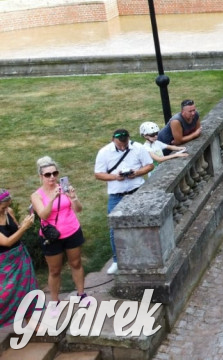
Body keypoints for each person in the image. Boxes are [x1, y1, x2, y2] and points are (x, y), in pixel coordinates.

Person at [30, 157, 93, 312]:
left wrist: (74, 198)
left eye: (54, 173)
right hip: (52, 237)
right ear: (41, 176)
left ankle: (81, 294)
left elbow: (78, 209)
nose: (52, 177)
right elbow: (43, 215)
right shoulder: (37, 195)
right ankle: (55, 301)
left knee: (76, 263)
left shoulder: (64, 189)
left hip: (72, 231)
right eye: (47, 174)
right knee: (55, 270)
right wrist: (52, 199)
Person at [94, 128, 154, 274]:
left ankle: (146, 254)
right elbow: (98, 174)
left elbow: (149, 165)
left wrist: (137, 172)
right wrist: (115, 177)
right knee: (114, 229)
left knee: (144, 222)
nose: (122, 146)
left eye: (125, 143)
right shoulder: (104, 152)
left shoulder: (138, 148)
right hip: (116, 195)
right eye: (120, 143)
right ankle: (117, 260)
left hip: (137, 190)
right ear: (113, 139)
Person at [1, 188, 39, 327]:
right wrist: (24, 228)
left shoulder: (9, 212)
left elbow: (16, 231)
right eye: (3, 207)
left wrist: (24, 224)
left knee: (28, 288)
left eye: (7, 206)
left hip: (19, 256)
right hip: (3, 263)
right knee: (4, 295)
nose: (6, 209)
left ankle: (30, 320)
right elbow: (6, 242)